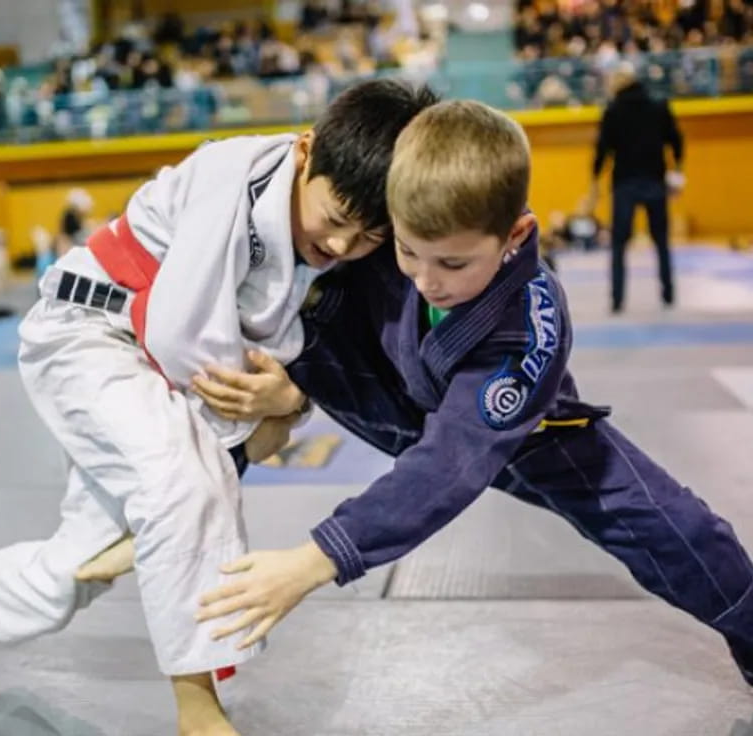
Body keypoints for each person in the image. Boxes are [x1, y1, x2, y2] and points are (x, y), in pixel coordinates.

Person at [0, 79, 436, 736]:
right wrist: (247, 437)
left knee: (89, 559)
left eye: (368, 236)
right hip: (90, 334)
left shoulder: (317, 228)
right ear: (306, 150)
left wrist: (288, 404)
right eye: (337, 220)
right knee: (185, 491)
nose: (344, 246)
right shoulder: (228, 175)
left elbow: (307, 359)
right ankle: (196, 708)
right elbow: (183, 333)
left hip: (155, 363)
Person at [184, 100, 753, 689]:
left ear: (515, 234)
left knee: (673, 526)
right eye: (407, 250)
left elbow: (450, 464)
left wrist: (315, 559)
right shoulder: (383, 226)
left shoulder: (527, 324)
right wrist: (294, 390)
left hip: (522, 437)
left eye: (453, 262)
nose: (427, 279)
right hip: (376, 389)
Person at [590, 62, 684, 313]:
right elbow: (676, 140)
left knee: (619, 244)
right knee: (661, 241)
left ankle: (617, 299)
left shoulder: (613, 110)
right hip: (655, 181)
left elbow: (602, 149)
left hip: (625, 184)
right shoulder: (659, 106)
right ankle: (668, 294)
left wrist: (595, 179)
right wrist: (677, 171)